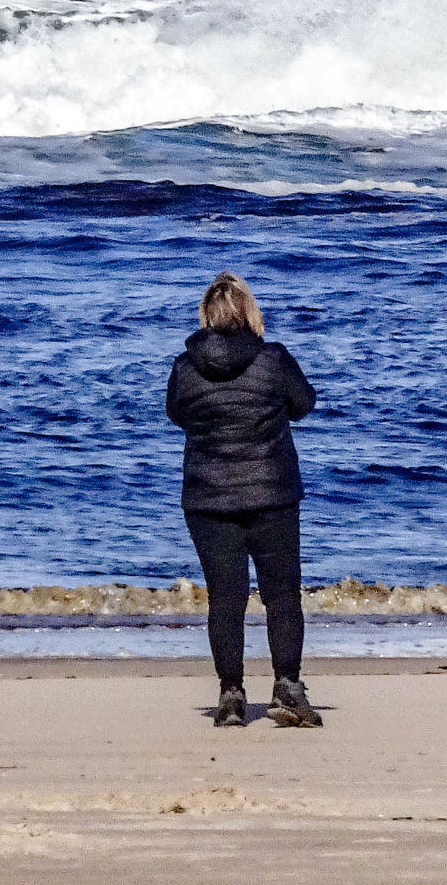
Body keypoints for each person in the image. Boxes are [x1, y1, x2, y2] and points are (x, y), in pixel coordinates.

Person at [165, 271, 322, 728]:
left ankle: (231, 695)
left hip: (208, 497)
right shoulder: (273, 360)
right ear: (250, 312)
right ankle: (288, 685)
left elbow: (178, 414)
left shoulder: (185, 367)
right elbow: (305, 403)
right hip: (271, 493)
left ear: (207, 316)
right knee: (282, 594)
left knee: (226, 599)